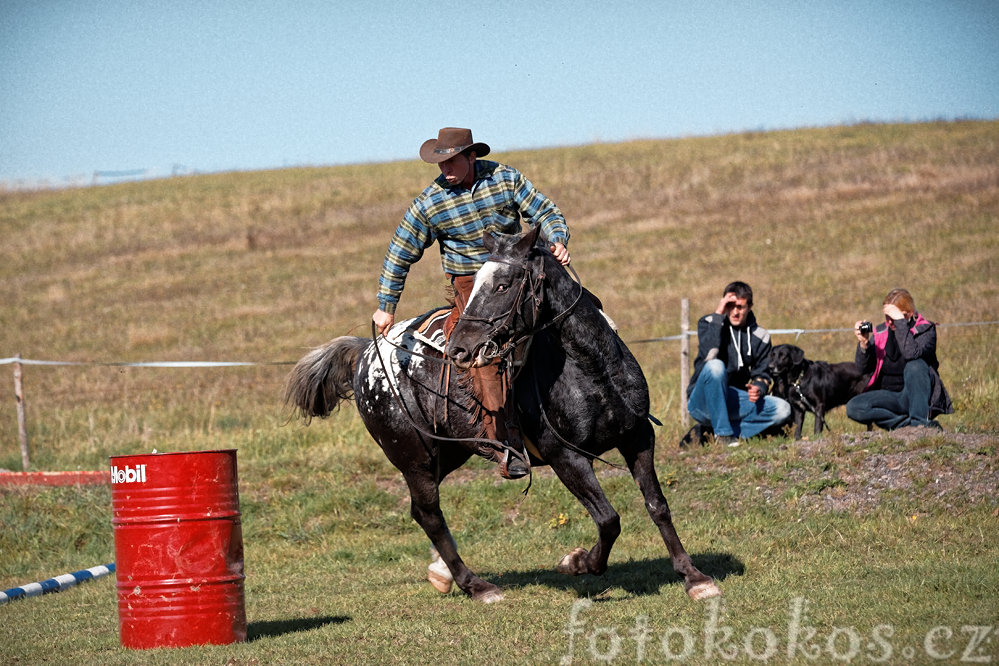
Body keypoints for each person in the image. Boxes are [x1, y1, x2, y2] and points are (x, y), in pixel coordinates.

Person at [372, 127, 571, 479]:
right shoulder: (430, 202)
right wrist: (386, 305)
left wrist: (557, 239)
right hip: (473, 289)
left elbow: (545, 210)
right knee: (485, 356)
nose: (445, 168)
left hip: (518, 275)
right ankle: (507, 446)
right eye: (441, 162)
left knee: (577, 317)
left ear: (471, 157)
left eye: (451, 161)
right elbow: (400, 252)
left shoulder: (504, 178)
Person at [682, 281, 791, 447]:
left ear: (750, 307)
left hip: (734, 399)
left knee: (782, 409)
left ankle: (710, 433)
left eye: (740, 307)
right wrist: (719, 313)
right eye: (730, 306)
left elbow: (762, 373)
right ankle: (724, 436)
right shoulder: (708, 323)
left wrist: (758, 388)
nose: (734, 312)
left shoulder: (761, 336)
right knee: (715, 367)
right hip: (702, 401)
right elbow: (708, 354)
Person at [845, 288, 953, 430]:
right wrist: (864, 344)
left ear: (907, 314)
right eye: (887, 317)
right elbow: (862, 369)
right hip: (890, 397)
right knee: (854, 407)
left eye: (893, 317)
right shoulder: (881, 332)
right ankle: (906, 426)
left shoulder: (926, 330)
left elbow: (911, 353)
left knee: (915, 365)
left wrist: (901, 323)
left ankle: (919, 423)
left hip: (915, 396)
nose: (889, 322)